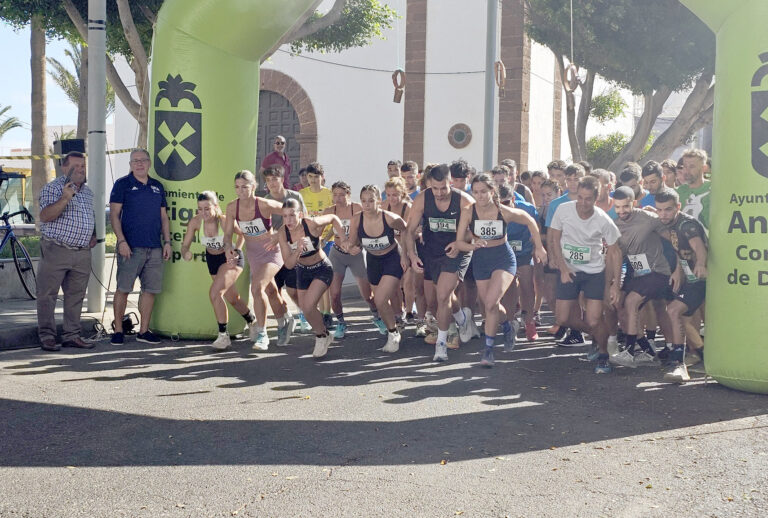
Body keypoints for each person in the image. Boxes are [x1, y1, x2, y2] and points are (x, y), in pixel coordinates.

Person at [456, 174, 546, 367]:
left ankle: (488, 351)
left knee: (490, 302)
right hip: (480, 259)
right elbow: (459, 242)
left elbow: (530, 221)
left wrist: (539, 247)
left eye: (483, 192)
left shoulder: (503, 211)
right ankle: (507, 326)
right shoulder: (467, 212)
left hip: (503, 258)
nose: (479, 196)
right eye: (476, 192)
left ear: (492, 191)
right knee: (488, 307)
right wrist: (473, 245)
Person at [548, 176, 622, 374]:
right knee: (562, 318)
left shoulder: (603, 219)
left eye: (588, 199)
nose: (582, 203)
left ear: (596, 199)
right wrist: (563, 268)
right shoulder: (564, 209)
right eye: (580, 197)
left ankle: (604, 355)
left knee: (593, 320)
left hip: (594, 272)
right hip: (570, 270)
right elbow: (554, 238)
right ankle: (599, 337)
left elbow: (615, 251)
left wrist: (615, 285)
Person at [405, 164, 476, 362]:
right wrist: (411, 255)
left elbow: (476, 231)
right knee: (434, 301)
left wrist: (460, 242)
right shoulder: (422, 198)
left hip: (456, 251)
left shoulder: (465, 201)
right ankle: (462, 318)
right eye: (434, 189)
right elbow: (409, 231)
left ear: (451, 182)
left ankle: (442, 345)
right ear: (429, 185)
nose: (439, 193)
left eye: (443, 188)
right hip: (432, 252)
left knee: (443, 295)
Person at [110, 149, 172, 346]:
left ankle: (144, 331)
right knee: (123, 289)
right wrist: (121, 241)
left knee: (150, 290)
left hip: (154, 247)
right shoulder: (122, 184)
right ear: (130, 164)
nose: (139, 164)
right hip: (130, 248)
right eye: (135, 161)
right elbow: (113, 216)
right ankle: (119, 330)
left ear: (149, 163)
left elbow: (164, 217)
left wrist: (167, 242)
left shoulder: (157, 186)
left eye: (143, 160)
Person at [36, 151, 96, 351]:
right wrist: (65, 198)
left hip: (82, 252)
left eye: (83, 166)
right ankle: (47, 336)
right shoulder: (52, 188)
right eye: (76, 166)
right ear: (64, 168)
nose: (81, 169)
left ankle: (72, 335)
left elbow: (89, 216)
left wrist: (92, 234)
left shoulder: (88, 192)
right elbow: (45, 216)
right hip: (56, 249)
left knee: (76, 296)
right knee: (47, 294)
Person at [222, 170, 288, 350]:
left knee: (256, 287)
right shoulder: (231, 207)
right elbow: (227, 235)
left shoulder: (264, 204)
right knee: (272, 292)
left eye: (245, 187)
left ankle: (262, 334)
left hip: (272, 252)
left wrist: (279, 234)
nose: (240, 191)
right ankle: (285, 322)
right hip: (253, 254)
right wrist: (229, 248)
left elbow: (293, 213)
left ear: (254, 187)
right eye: (237, 187)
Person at [609, 187, 674, 368]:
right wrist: (614, 283)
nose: (622, 211)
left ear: (634, 203)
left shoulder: (649, 219)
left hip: (657, 271)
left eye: (626, 206)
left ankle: (629, 353)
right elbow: (616, 255)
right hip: (636, 272)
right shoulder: (614, 224)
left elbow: (672, 235)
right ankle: (647, 351)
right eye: (618, 207)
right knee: (622, 305)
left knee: (632, 303)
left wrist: (681, 265)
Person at [180, 191, 253, 350]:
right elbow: (184, 245)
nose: (203, 213)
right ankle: (252, 321)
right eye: (200, 209)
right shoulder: (196, 222)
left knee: (215, 293)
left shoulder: (225, 220)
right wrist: (185, 252)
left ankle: (223, 335)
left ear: (216, 207)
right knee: (232, 298)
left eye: (207, 208)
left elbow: (242, 235)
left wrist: (236, 251)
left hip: (230, 258)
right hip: (212, 260)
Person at [277, 198, 345, 358]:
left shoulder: (311, 224)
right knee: (306, 309)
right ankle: (325, 333)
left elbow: (334, 219)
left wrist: (344, 239)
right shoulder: (283, 233)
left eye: (292, 215)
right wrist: (297, 251)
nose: (289, 220)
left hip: (321, 268)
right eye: (285, 216)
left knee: (308, 306)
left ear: (300, 214)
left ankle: (320, 337)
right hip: (302, 270)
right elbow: (288, 264)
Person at [346, 185, 409, 352]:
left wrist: (405, 255)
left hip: (392, 258)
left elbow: (407, 231)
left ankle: (393, 333)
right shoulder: (357, 219)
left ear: (379, 201)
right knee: (378, 301)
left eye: (371, 200)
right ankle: (394, 324)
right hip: (373, 260)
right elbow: (352, 242)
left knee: (380, 299)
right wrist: (352, 248)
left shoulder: (389, 218)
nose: (367, 204)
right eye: (364, 201)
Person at [655, 189, 708, 383]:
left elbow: (698, 247)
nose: (663, 214)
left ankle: (679, 364)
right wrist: (677, 270)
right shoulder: (670, 224)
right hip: (690, 278)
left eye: (668, 210)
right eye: (659, 210)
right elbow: (680, 250)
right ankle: (701, 356)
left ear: (678, 207)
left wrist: (701, 264)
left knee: (675, 311)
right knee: (679, 315)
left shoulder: (686, 224)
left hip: (702, 279)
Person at [323, 181, 382, 339]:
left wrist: (360, 245)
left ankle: (377, 316)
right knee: (334, 294)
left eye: (342, 194)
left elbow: (367, 228)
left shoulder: (356, 208)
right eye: (335, 194)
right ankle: (341, 322)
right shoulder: (330, 211)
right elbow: (321, 228)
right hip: (337, 254)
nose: (338, 198)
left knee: (367, 295)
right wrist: (322, 240)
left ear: (348, 194)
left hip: (356, 254)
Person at [263, 164, 305, 338]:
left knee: (294, 290)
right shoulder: (265, 200)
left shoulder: (295, 196)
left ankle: (303, 313)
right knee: (274, 288)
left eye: (275, 179)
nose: (272, 183)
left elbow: (305, 219)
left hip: (293, 247)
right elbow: (266, 227)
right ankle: (286, 318)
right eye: (268, 180)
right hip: (274, 250)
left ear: (282, 179)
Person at [499, 183, 542, 342]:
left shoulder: (528, 209)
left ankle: (529, 321)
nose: (503, 207)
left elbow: (535, 229)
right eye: (499, 203)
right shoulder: (492, 211)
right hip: (504, 252)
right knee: (509, 287)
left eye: (506, 203)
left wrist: (537, 248)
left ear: (514, 199)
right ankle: (510, 324)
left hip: (524, 251)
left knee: (527, 283)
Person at [299, 162, 335, 327]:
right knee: (313, 279)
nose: (313, 180)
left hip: (326, 240)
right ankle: (317, 313)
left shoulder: (329, 194)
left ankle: (327, 313)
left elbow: (335, 220)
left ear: (322, 177)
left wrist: (325, 238)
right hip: (309, 242)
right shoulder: (301, 194)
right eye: (310, 177)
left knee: (325, 278)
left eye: (316, 177)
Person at [384, 177, 414, 328]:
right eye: (388, 195)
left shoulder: (407, 207)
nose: (391, 198)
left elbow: (407, 232)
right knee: (395, 282)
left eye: (395, 195)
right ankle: (398, 311)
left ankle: (409, 311)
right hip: (391, 247)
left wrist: (405, 254)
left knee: (408, 281)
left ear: (401, 194)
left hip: (407, 245)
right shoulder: (384, 206)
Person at [676, 148, 711, 231]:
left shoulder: (715, 189)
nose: (686, 171)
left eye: (692, 166)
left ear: (704, 168)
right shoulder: (677, 193)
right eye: (684, 166)